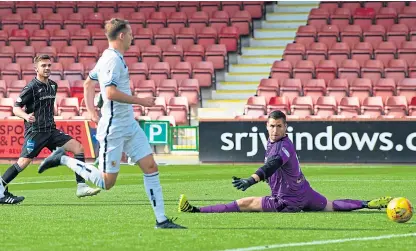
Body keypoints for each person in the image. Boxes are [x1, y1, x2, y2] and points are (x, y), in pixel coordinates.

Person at [38, 18, 186, 229]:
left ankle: (161, 220)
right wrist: (141, 101)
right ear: (122, 36)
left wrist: (91, 111)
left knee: (151, 167)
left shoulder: (111, 57)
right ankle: (63, 159)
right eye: (131, 33)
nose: (133, 37)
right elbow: (109, 92)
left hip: (129, 125)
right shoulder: (112, 60)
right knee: (107, 182)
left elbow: (89, 83)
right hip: (114, 127)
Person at [178, 110, 392, 214]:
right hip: (306, 193)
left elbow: (272, 165)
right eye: (272, 126)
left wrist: (251, 180)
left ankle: (195, 211)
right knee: (329, 205)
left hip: (287, 201)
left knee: (245, 203)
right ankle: (367, 203)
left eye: (279, 126)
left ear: (286, 127)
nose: (275, 130)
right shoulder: (276, 142)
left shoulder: (284, 147)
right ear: (266, 126)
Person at [0, 55, 101, 205]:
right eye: (43, 66)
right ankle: (1, 190)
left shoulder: (53, 85)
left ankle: (81, 186)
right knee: (23, 162)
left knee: (78, 148)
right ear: (36, 69)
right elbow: (16, 109)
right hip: (36, 131)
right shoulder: (31, 87)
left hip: (51, 130)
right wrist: (27, 117)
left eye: (49, 65)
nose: (47, 68)